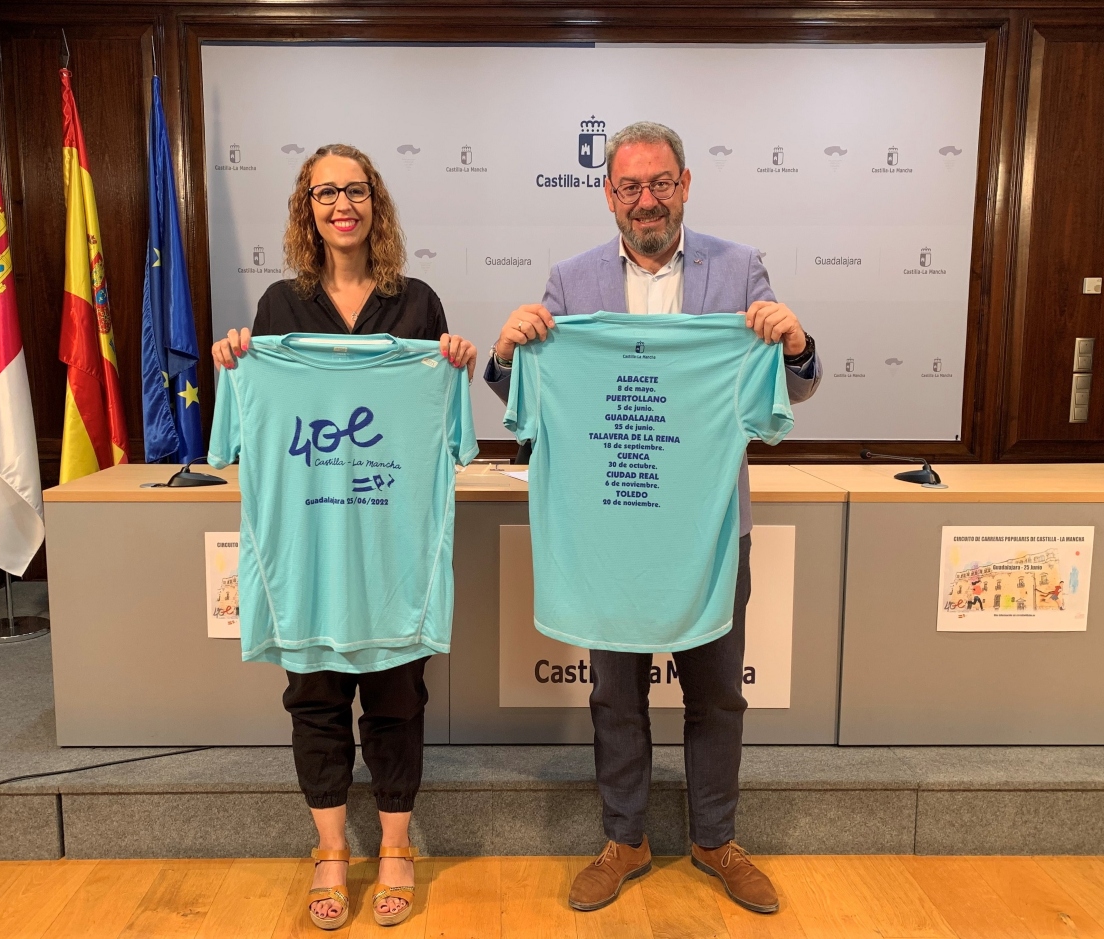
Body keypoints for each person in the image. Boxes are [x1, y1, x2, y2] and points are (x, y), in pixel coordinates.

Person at [485, 122, 822, 915]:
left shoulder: (740, 268)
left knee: (716, 693)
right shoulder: (569, 282)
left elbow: (791, 389)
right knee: (614, 693)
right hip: (610, 528)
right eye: (631, 186)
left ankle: (714, 838)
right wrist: (508, 356)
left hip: (708, 529)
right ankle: (625, 837)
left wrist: (796, 343)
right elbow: (538, 408)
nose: (647, 200)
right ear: (608, 194)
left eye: (661, 183)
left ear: (686, 184)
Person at [212, 143, 476, 930]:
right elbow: (242, 431)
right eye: (326, 192)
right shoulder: (278, 312)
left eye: (354, 190)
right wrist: (237, 362)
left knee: (399, 696)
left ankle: (396, 847)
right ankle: (330, 849)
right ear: (307, 207)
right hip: (311, 555)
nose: (341, 205)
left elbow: (449, 429)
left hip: (391, 553)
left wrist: (454, 362)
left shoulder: (419, 304)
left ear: (375, 202)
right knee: (314, 699)